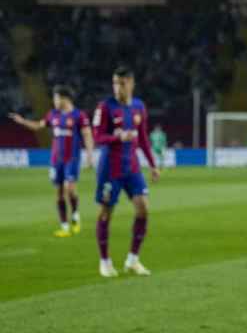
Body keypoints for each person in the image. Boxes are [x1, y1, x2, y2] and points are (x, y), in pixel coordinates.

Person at [92, 66, 160, 277]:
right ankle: (104, 261)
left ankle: (133, 260)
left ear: (131, 83)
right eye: (114, 83)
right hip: (110, 169)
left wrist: (153, 164)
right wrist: (117, 138)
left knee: (143, 209)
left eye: (121, 83)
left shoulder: (139, 107)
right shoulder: (104, 107)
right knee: (106, 213)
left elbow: (143, 139)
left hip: (132, 168)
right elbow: (97, 137)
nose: (117, 88)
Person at [8, 85, 94, 237]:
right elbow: (38, 126)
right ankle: (64, 226)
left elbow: (87, 134)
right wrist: (22, 121)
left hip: (72, 159)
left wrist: (89, 155)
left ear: (64, 98)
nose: (54, 101)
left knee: (70, 189)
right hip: (56, 160)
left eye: (55, 98)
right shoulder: (53, 114)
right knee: (59, 193)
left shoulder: (79, 116)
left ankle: (75, 216)